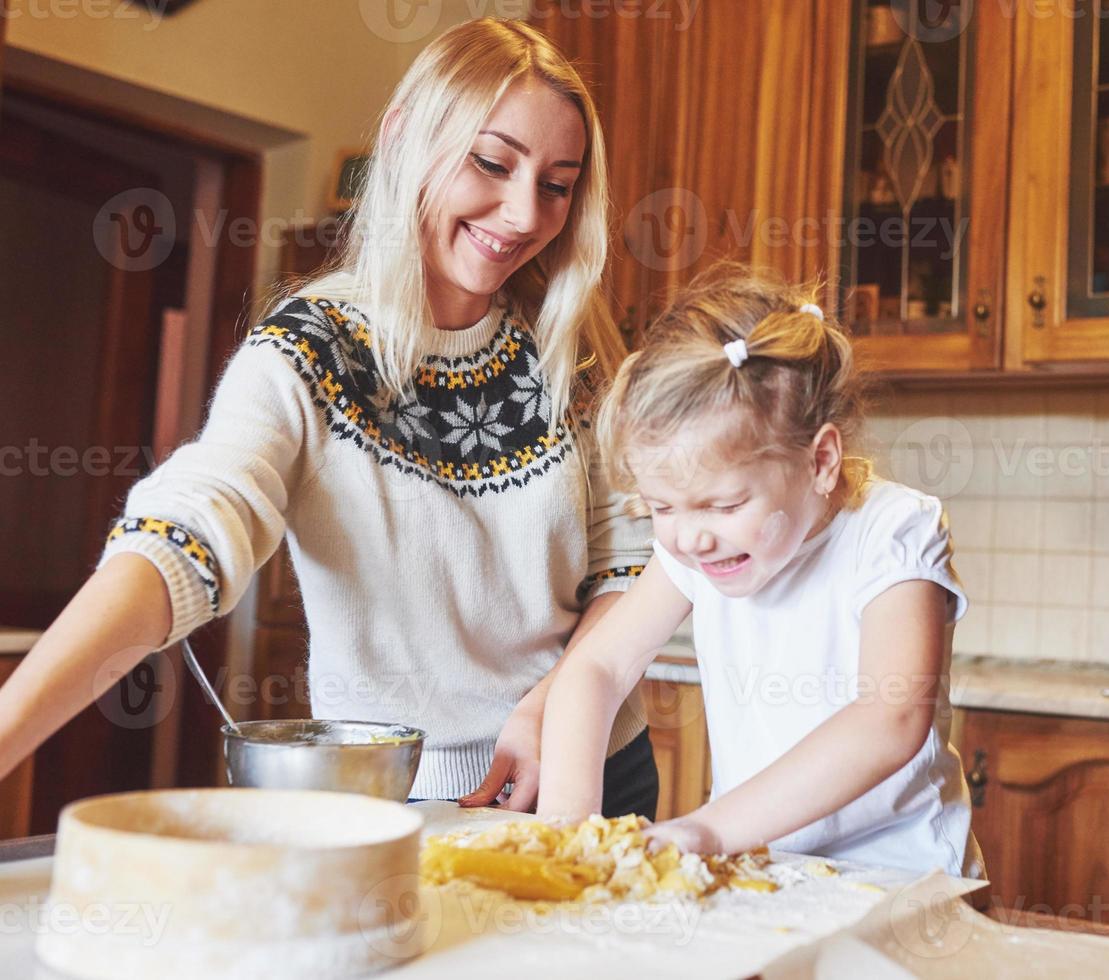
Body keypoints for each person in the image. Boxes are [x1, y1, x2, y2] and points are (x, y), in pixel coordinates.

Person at [0, 18, 659, 817]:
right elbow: (195, 523)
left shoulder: (570, 345)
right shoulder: (306, 354)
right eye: (492, 162)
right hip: (400, 797)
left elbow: (629, 568)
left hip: (593, 765)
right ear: (405, 137)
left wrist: (557, 704)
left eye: (556, 184)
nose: (523, 213)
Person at [536, 264, 980, 876]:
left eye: (725, 505)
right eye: (662, 507)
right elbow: (598, 667)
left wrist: (707, 829)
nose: (690, 535)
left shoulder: (894, 533)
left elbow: (891, 718)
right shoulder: (695, 548)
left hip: (901, 878)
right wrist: (566, 828)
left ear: (820, 460)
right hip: (761, 867)